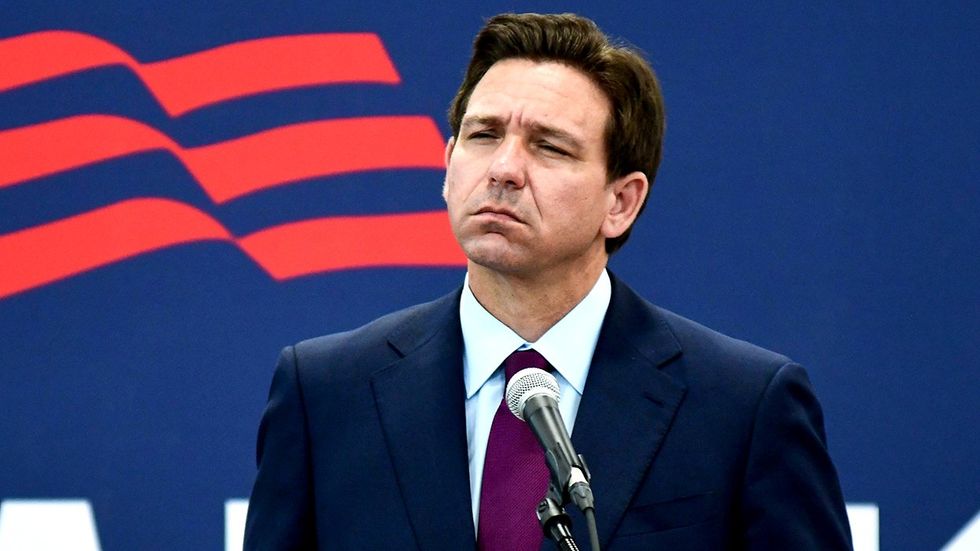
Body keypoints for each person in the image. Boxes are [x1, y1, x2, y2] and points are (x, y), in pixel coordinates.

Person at [244, 12, 852, 550]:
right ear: (448, 165)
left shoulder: (743, 407)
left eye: (550, 147)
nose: (504, 168)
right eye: (484, 135)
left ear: (621, 202)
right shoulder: (326, 392)